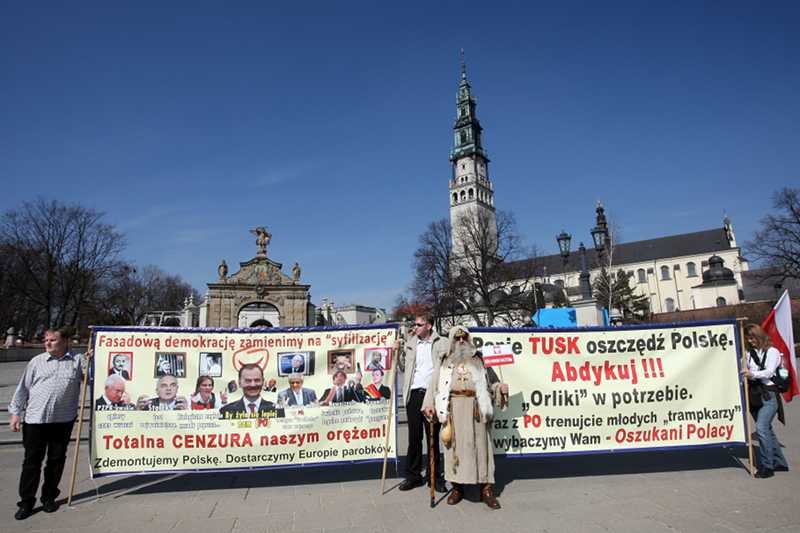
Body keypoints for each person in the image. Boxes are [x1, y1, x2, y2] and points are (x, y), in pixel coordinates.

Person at [423, 325, 508, 509]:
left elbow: (493, 383)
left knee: (481, 448)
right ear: (452, 341)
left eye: (464, 338)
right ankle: (457, 488)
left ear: (469, 339)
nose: (461, 341)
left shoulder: (479, 359)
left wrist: (500, 388)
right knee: (455, 449)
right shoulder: (445, 361)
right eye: (457, 338)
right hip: (454, 410)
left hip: (476, 409)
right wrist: (429, 404)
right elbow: (433, 385)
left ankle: (486, 489)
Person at [8, 327, 85, 520]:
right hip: (36, 420)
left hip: (63, 420)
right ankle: (26, 502)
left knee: (56, 461)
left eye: (52, 340)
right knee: (31, 462)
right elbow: (23, 389)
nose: (47, 343)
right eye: (46, 340)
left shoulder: (78, 361)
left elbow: (96, 378)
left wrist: (95, 359)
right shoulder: (36, 362)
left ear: (65, 341)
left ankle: (49, 497)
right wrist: (15, 413)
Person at [397, 313, 448, 493]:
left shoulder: (442, 342)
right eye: (415, 324)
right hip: (414, 393)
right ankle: (413, 476)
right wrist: (397, 352)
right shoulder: (411, 343)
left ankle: (435, 477)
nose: (415, 327)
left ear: (429, 326)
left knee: (432, 437)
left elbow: (448, 365)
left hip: (432, 393)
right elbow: (402, 366)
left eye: (419, 324)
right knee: (414, 437)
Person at [742, 323, 790, 478]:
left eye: (752, 338)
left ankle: (767, 466)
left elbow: (769, 372)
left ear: (759, 336)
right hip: (754, 394)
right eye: (748, 338)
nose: (750, 341)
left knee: (761, 428)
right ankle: (779, 462)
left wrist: (752, 374)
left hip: (769, 395)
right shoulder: (748, 353)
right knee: (767, 430)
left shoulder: (772, 352)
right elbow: (743, 370)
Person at [219, 364, 284, 419]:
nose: (253, 385)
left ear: (263, 382)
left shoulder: (277, 410)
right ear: (239, 383)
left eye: (257, 380)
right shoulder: (226, 411)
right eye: (248, 381)